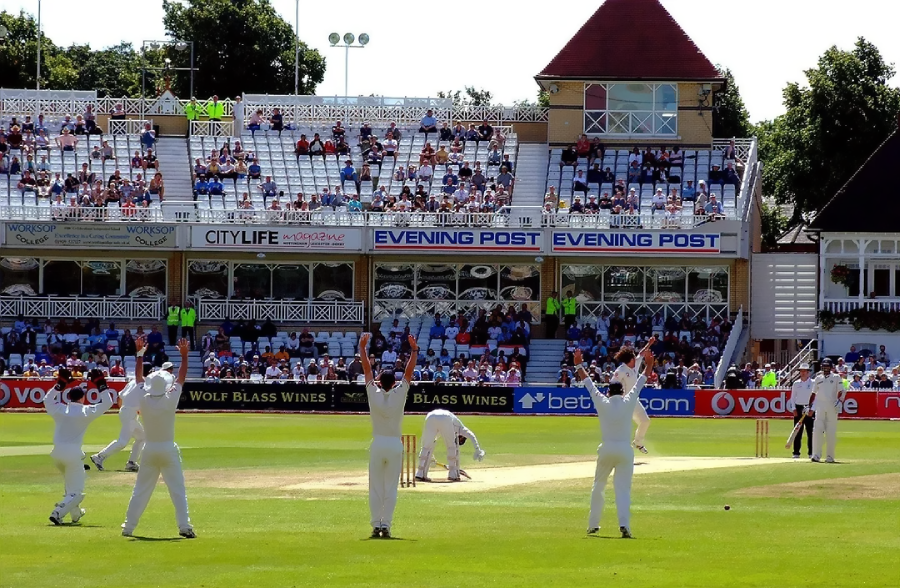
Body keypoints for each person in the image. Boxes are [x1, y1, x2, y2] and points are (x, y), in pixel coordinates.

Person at [574, 345, 654, 539]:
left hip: (606, 449)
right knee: (623, 490)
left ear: (609, 392)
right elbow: (642, 380)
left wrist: (578, 364)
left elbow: (588, 382)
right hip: (625, 451)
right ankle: (624, 525)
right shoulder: (629, 402)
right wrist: (650, 364)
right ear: (622, 392)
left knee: (598, 486)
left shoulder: (602, 401)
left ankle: (593, 525)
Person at [121, 337, 195, 538]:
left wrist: (139, 355)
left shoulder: (144, 398)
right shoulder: (170, 398)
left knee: (140, 490)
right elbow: (181, 376)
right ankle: (185, 526)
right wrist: (184, 356)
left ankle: (128, 527)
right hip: (167, 448)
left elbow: (138, 378)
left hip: (150, 449)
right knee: (177, 490)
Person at [358, 332, 418, 539]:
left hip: (378, 443)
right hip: (394, 444)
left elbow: (366, 368)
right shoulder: (400, 393)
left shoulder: (372, 393)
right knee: (390, 487)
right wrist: (414, 350)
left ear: (378, 381)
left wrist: (362, 348)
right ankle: (386, 525)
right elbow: (409, 372)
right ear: (394, 383)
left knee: (376, 486)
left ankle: (376, 525)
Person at [44, 368, 115, 525]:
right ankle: (57, 513)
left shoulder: (60, 409)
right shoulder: (85, 411)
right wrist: (101, 384)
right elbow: (108, 402)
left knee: (70, 486)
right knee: (76, 492)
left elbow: (47, 399)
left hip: (56, 454)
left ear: (68, 396)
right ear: (83, 398)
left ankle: (76, 515)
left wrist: (59, 385)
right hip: (73, 454)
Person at [610, 338, 656, 454]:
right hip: (623, 402)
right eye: (633, 357)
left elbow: (642, 353)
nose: (636, 358)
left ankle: (638, 443)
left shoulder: (634, 365)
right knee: (622, 426)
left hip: (634, 401)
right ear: (630, 360)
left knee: (645, 421)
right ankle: (615, 449)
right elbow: (612, 384)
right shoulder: (620, 371)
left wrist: (649, 343)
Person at [414, 409, 485, 482]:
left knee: (426, 447)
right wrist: (478, 450)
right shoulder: (461, 429)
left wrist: (431, 457)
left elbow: (429, 442)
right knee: (452, 447)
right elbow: (472, 435)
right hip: (446, 417)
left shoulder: (445, 430)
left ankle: (420, 474)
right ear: (462, 436)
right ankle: (453, 474)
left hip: (430, 416)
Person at [90, 377, 145, 472]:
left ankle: (131, 463)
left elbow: (120, 397)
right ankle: (99, 456)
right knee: (123, 442)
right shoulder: (145, 385)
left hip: (126, 411)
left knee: (142, 437)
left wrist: (124, 410)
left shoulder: (133, 382)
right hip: (130, 413)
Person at [808, 358, 845, 464]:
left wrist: (839, 402)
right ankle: (816, 455)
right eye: (824, 366)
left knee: (830, 432)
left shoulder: (836, 377)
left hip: (832, 407)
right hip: (820, 407)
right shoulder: (818, 378)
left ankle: (830, 456)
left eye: (828, 366)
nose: (826, 368)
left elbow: (842, 391)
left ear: (831, 367)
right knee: (817, 431)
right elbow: (813, 393)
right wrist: (809, 406)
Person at [789, 363, 815, 459]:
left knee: (810, 432)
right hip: (799, 408)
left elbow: (816, 397)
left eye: (804, 371)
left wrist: (812, 409)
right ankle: (796, 452)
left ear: (808, 372)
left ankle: (811, 453)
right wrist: (794, 409)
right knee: (797, 431)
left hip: (809, 408)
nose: (802, 373)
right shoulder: (796, 383)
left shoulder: (813, 383)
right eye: (801, 371)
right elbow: (792, 398)